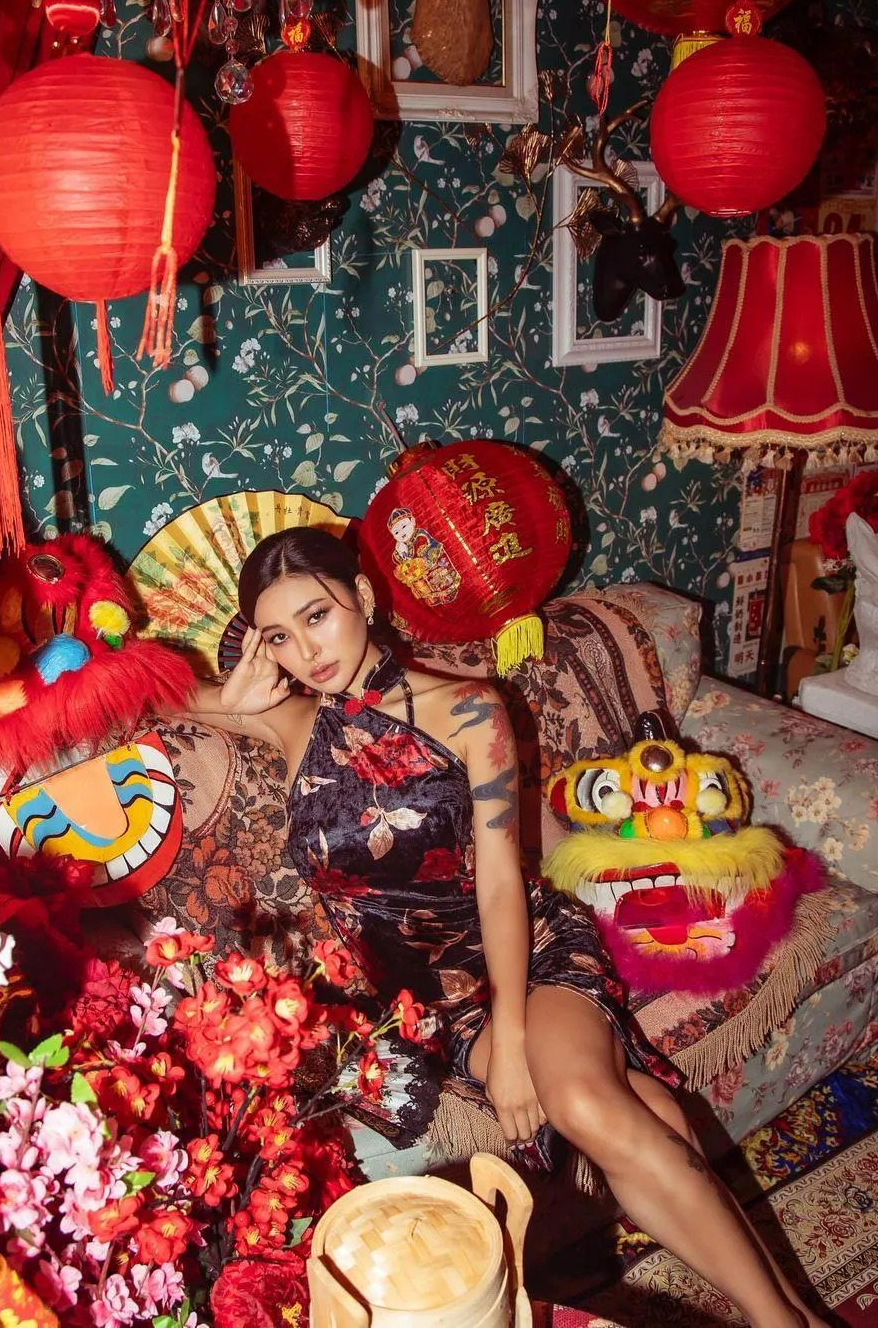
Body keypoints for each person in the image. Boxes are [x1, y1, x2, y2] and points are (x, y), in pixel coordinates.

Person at [188, 526, 826, 1328]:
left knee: (582, 1104)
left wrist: (516, 1037)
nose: (306, 650)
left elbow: (498, 880)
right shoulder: (291, 724)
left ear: (364, 598)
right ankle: (794, 1308)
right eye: (279, 634)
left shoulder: (467, 708)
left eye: (318, 616)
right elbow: (138, 700)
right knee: (637, 1117)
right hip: (426, 1001)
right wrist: (230, 698)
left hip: (522, 947)